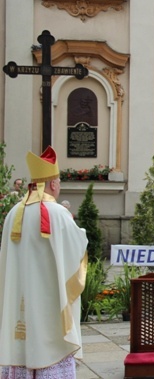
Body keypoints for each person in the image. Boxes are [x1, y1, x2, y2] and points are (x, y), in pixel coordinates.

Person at [0, 146, 88, 377]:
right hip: (47, 301)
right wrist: (81, 233)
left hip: (19, 297)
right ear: (54, 184)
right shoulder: (58, 213)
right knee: (48, 340)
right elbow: (76, 251)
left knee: (21, 336)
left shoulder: (13, 213)